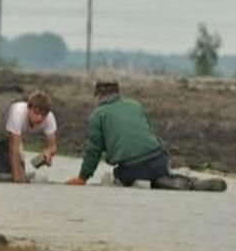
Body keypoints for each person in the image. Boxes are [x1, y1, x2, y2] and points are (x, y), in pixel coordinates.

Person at [65, 79, 226, 191]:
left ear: (99, 96)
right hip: (159, 159)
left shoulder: (98, 115)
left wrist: (82, 178)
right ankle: (188, 183)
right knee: (158, 174)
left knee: (120, 176)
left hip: (132, 168)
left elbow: (93, 150)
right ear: (118, 92)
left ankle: (163, 182)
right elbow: (150, 131)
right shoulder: (135, 105)